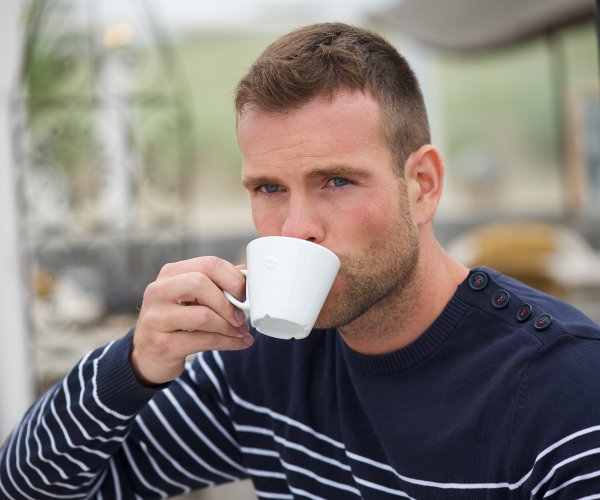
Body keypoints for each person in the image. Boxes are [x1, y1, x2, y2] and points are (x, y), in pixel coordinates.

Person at [2, 22, 600, 500]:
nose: (296, 228)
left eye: (336, 181)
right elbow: (34, 486)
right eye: (268, 188)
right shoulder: (260, 362)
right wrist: (132, 364)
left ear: (421, 185)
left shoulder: (562, 389)